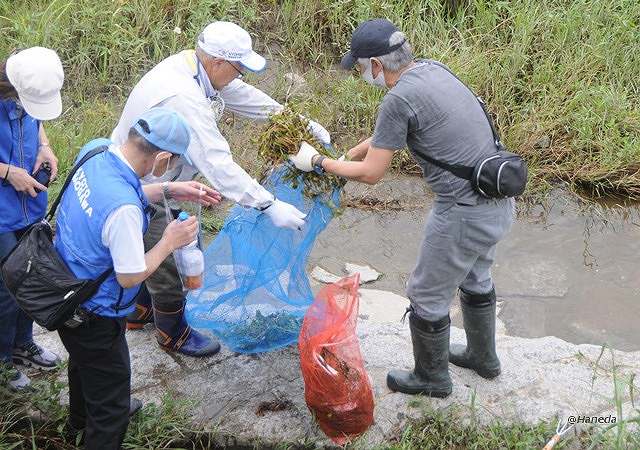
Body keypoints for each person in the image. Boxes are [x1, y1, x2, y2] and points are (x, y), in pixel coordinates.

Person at [290, 19, 515, 398]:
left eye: (361, 68)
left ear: (377, 65)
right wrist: (351, 153)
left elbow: (373, 174)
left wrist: (318, 163)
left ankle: (432, 379)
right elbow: (387, 137)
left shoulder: (397, 99)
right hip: (496, 200)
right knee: (476, 276)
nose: (361, 74)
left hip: (461, 212)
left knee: (425, 294)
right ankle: (482, 357)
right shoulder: (431, 70)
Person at [111, 21, 332, 357]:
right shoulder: (183, 96)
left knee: (158, 244)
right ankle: (173, 333)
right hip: (146, 183)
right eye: (238, 67)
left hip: (163, 178)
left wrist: (294, 119)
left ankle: (138, 311)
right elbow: (218, 163)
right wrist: (268, 204)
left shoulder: (194, 67)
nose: (241, 74)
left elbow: (240, 94)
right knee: (175, 257)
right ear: (217, 62)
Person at [54, 107, 221, 449]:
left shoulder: (96, 150)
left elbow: (118, 192)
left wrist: (169, 189)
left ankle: (78, 422)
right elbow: (130, 276)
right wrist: (168, 242)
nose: (170, 167)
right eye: (172, 162)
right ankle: (100, 419)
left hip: (65, 289)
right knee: (113, 408)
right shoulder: (124, 211)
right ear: (161, 157)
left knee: (83, 364)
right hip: (96, 313)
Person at [0, 47, 63, 390]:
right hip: (2, 211)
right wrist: (8, 172)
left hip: (29, 202)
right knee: (5, 288)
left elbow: (36, 124)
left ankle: (23, 344)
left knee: (30, 276)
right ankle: (2, 362)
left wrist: (45, 147)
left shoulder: (28, 93)